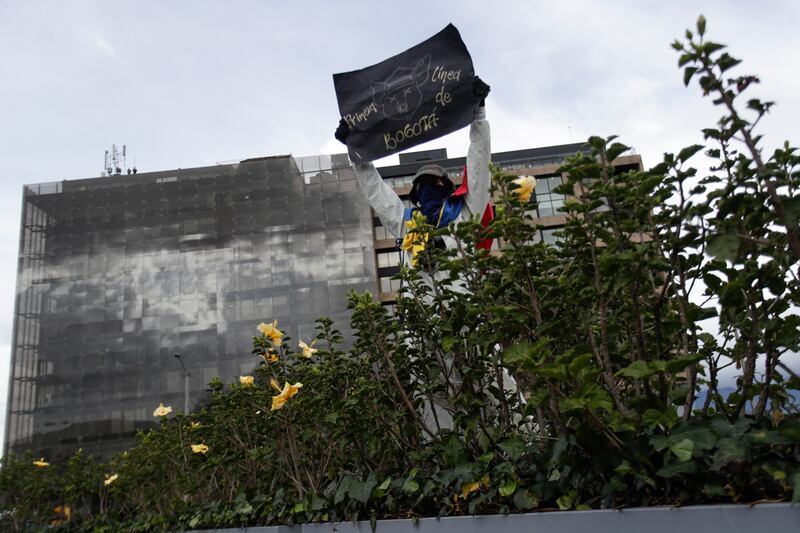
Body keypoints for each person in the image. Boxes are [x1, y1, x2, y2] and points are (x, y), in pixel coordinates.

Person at [335, 78, 522, 436]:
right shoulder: (405, 224)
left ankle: (523, 447)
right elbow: (375, 189)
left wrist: (478, 113)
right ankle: (448, 470)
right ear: (415, 196)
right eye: (419, 187)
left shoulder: (466, 212)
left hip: (468, 319)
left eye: (432, 184)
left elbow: (478, 162)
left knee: (498, 385)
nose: (426, 190)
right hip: (424, 331)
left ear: (448, 188)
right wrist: (354, 149)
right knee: (433, 400)